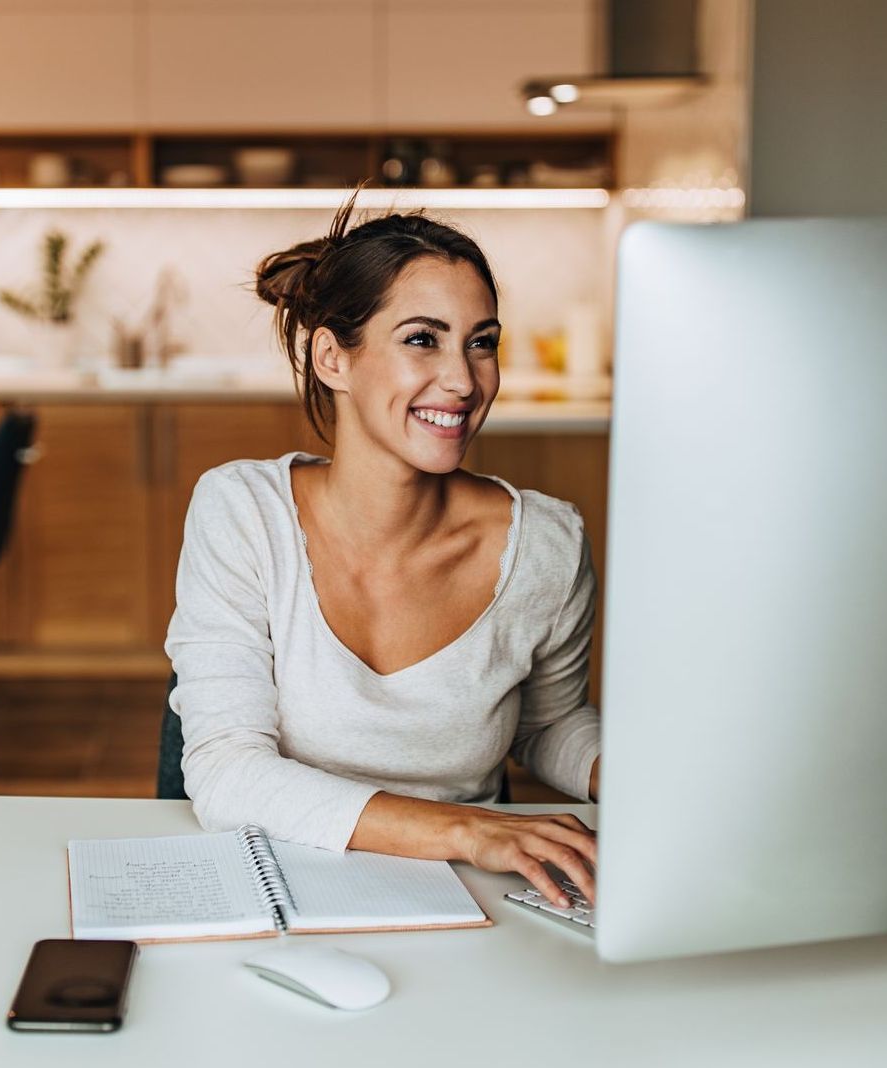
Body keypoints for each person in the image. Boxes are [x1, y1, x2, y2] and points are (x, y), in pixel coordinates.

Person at [165, 196, 600, 907]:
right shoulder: (244, 513)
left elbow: (546, 722)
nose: (463, 381)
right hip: (279, 882)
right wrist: (464, 830)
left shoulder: (547, 545)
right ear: (332, 356)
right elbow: (225, 771)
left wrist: (636, 772)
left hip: (473, 898)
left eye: (481, 341)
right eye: (422, 339)